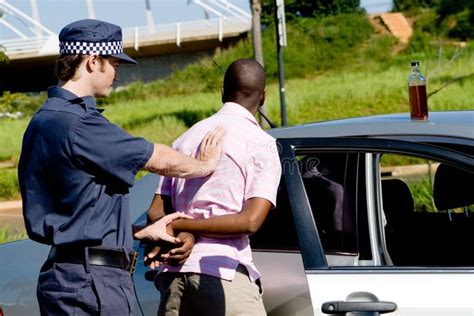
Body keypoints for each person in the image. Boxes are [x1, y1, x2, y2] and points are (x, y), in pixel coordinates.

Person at [17, 19, 224, 315]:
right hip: (93, 282)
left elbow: (78, 207)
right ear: (92, 61)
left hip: (68, 273)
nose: (116, 74)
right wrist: (205, 165)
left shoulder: (42, 121)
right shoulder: (79, 123)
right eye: (114, 63)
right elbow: (159, 158)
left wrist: (136, 232)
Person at [135, 58, 282, 315]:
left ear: (223, 92)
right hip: (224, 275)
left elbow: (156, 212)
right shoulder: (261, 144)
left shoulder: (185, 138)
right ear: (264, 97)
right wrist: (184, 227)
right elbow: (250, 222)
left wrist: (181, 231)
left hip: (174, 279)